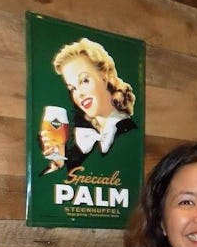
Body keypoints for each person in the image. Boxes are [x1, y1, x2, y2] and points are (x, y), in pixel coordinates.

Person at [40, 37, 138, 174]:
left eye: (84, 80)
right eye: (72, 88)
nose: (78, 94)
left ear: (104, 77)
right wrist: (59, 162)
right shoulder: (80, 142)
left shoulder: (129, 134)